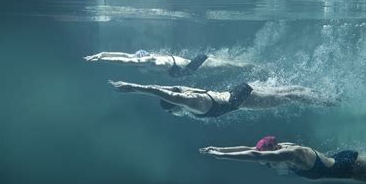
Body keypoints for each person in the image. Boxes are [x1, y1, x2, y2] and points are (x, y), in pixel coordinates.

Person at [199, 136, 366, 181]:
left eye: (269, 159)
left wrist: (222, 158)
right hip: (343, 160)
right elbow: (252, 150)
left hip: (351, 168)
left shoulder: (292, 153)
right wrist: (220, 150)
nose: (269, 163)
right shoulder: (284, 147)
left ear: (275, 151)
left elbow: (253, 155)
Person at [109, 81, 339, 118]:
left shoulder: (189, 104)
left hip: (243, 99)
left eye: (172, 110)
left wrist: (133, 88)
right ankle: (325, 93)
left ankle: (330, 101)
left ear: (175, 105)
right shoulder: (191, 95)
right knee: (290, 90)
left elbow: (164, 92)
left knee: (291, 96)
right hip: (237, 91)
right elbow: (170, 88)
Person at [84, 50, 252, 77]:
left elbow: (123, 59)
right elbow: (124, 58)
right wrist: (102, 56)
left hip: (186, 68)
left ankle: (247, 66)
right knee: (223, 65)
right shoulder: (150, 58)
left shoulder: (148, 60)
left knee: (223, 66)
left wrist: (101, 56)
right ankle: (248, 66)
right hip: (187, 68)